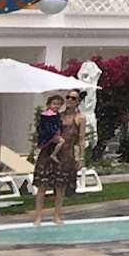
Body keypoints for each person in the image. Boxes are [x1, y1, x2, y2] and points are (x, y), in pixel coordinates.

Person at [31, 92, 80, 226]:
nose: (70, 100)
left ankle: (57, 216)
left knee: (60, 187)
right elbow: (42, 130)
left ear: (77, 101)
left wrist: (80, 158)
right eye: (68, 97)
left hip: (63, 154)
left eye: (73, 98)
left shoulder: (77, 117)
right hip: (47, 152)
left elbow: (80, 139)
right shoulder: (54, 115)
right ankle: (38, 216)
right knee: (42, 186)